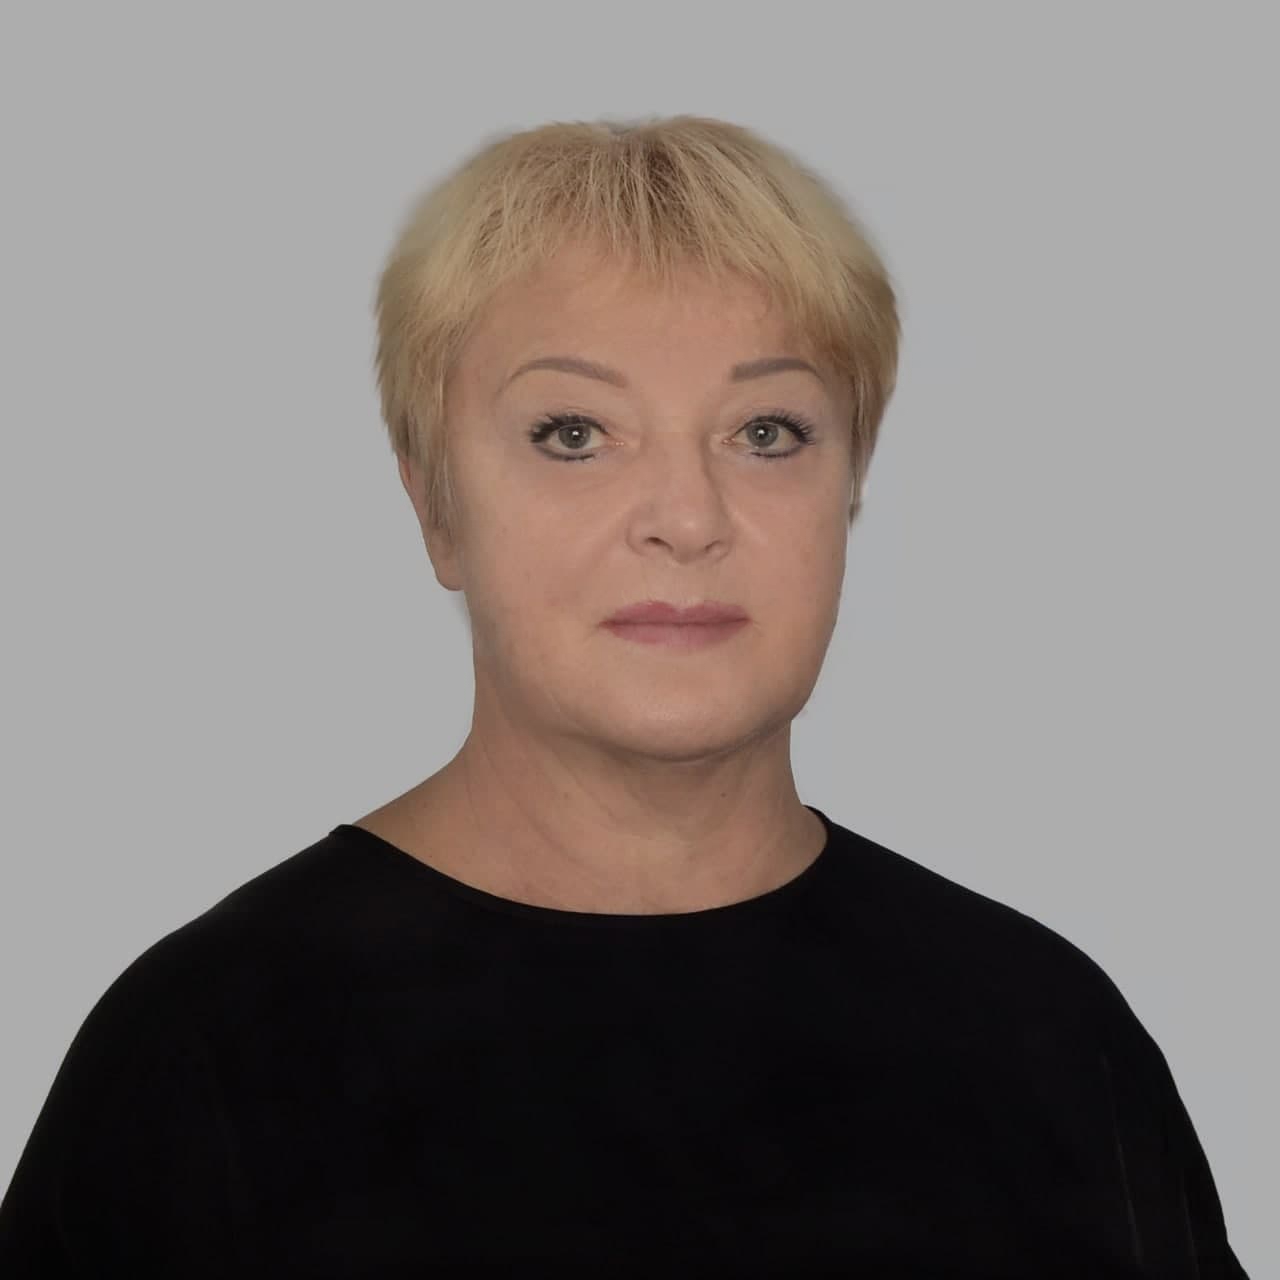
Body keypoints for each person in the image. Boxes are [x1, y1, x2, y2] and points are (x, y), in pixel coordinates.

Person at [0, 114, 1249, 1278]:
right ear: (436, 506)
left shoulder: (1045, 1033)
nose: (687, 518)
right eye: (572, 433)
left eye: (765, 432)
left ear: (850, 487)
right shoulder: (203, 1055)